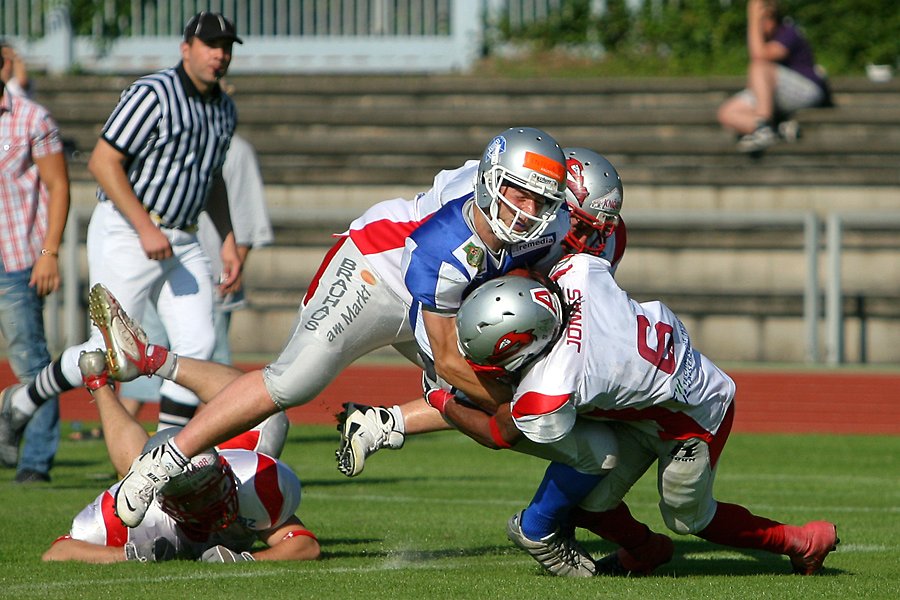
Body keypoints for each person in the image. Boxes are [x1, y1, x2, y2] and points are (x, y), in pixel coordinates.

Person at [86, 127, 588, 535]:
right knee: (292, 382)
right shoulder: (447, 241)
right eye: (518, 194)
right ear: (491, 182)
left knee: (483, 397)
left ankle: (381, 425)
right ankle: (165, 459)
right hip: (377, 270)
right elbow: (451, 362)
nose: (527, 212)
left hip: (443, 291)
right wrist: (521, 403)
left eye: (540, 200)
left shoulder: (552, 226)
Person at [444, 262, 840, 576]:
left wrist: (443, 402)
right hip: (657, 399)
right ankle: (646, 551)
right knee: (590, 503)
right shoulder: (577, 273)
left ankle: (802, 541)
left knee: (689, 518)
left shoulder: (556, 381)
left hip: (694, 417)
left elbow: (500, 433)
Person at [0, 12, 244, 457]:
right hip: (129, 231)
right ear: (186, 48)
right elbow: (103, 162)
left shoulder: (224, 108)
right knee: (107, 352)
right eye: (210, 45)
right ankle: (21, 401)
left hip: (183, 237)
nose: (219, 54)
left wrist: (227, 239)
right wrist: (145, 226)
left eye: (226, 46)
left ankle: (167, 454)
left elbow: (212, 178)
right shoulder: (154, 93)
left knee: (198, 345)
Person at [335, 148, 627, 478]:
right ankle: (429, 404)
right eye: (580, 224)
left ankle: (384, 422)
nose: (588, 239)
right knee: (530, 419)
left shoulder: (605, 240)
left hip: (538, 322)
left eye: (598, 228)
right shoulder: (509, 221)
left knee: (560, 410)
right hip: (467, 308)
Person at [42, 350, 317, 563]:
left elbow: (305, 544)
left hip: (224, 454)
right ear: (168, 504)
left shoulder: (249, 480)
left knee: (271, 418)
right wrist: (130, 554)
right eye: (202, 499)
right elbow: (59, 551)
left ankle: (155, 359)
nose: (216, 501)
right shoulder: (142, 512)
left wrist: (246, 559)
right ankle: (99, 383)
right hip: (150, 488)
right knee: (134, 467)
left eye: (215, 489)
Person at [118, 130, 275, 430]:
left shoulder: (236, 150)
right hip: (157, 266)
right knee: (140, 356)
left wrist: (235, 259)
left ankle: (209, 435)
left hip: (208, 271)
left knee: (207, 362)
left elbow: (246, 212)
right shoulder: (165, 137)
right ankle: (125, 435)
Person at [0, 48, 71, 483]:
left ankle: (36, 463)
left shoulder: (32, 118)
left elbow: (58, 185)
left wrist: (49, 253)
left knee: (31, 362)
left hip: (16, 258)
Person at [717, 0, 831, 154]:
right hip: (780, 93)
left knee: (759, 65)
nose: (760, 28)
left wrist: (753, 18)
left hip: (807, 89)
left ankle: (763, 128)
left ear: (772, 17)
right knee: (728, 112)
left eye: (763, 21)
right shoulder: (768, 39)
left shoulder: (789, 32)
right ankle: (773, 129)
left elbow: (759, 56)